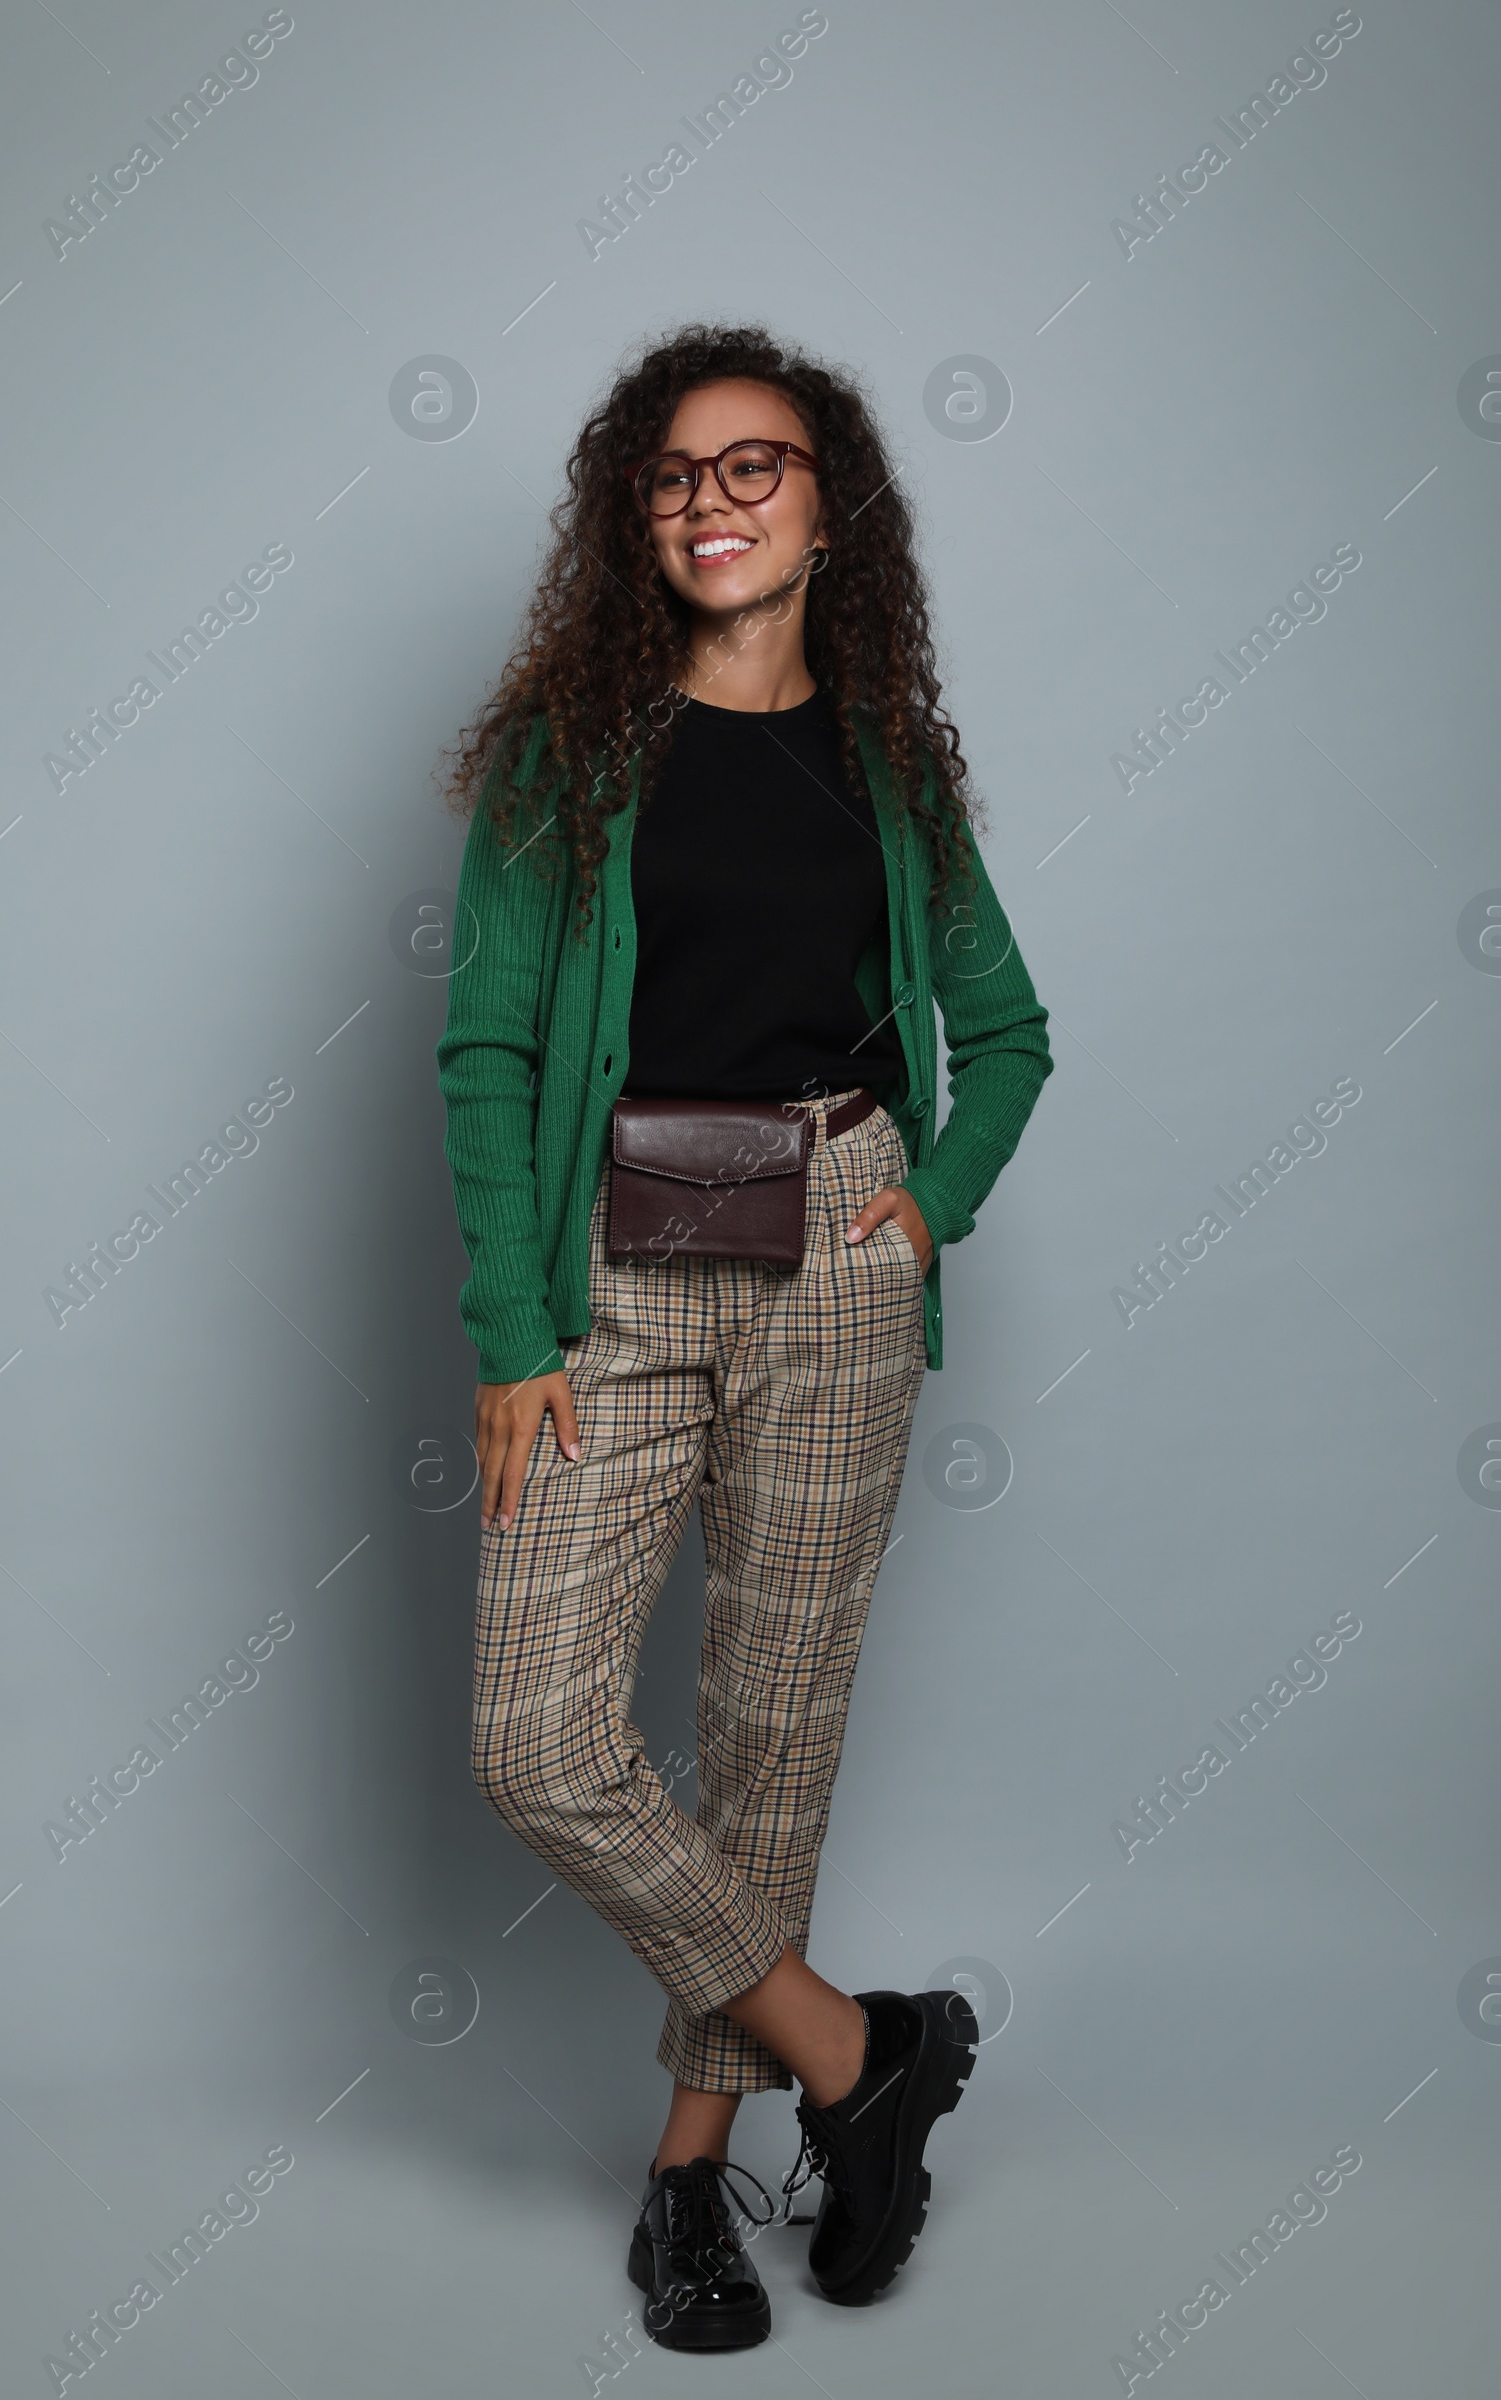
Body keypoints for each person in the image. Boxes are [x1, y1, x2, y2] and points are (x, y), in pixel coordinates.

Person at [435, 321, 1054, 2350]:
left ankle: (688, 2185)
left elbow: (1011, 1035)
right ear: (638, 514)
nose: (710, 502)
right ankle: (860, 2057)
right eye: (674, 475)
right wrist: (511, 1329)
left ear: (825, 503)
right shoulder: (562, 757)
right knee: (542, 1737)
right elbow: (486, 1048)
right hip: (602, 1283)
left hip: (833, 1275)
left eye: (751, 467)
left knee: (769, 1751)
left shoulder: (883, 767)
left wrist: (925, 1208)